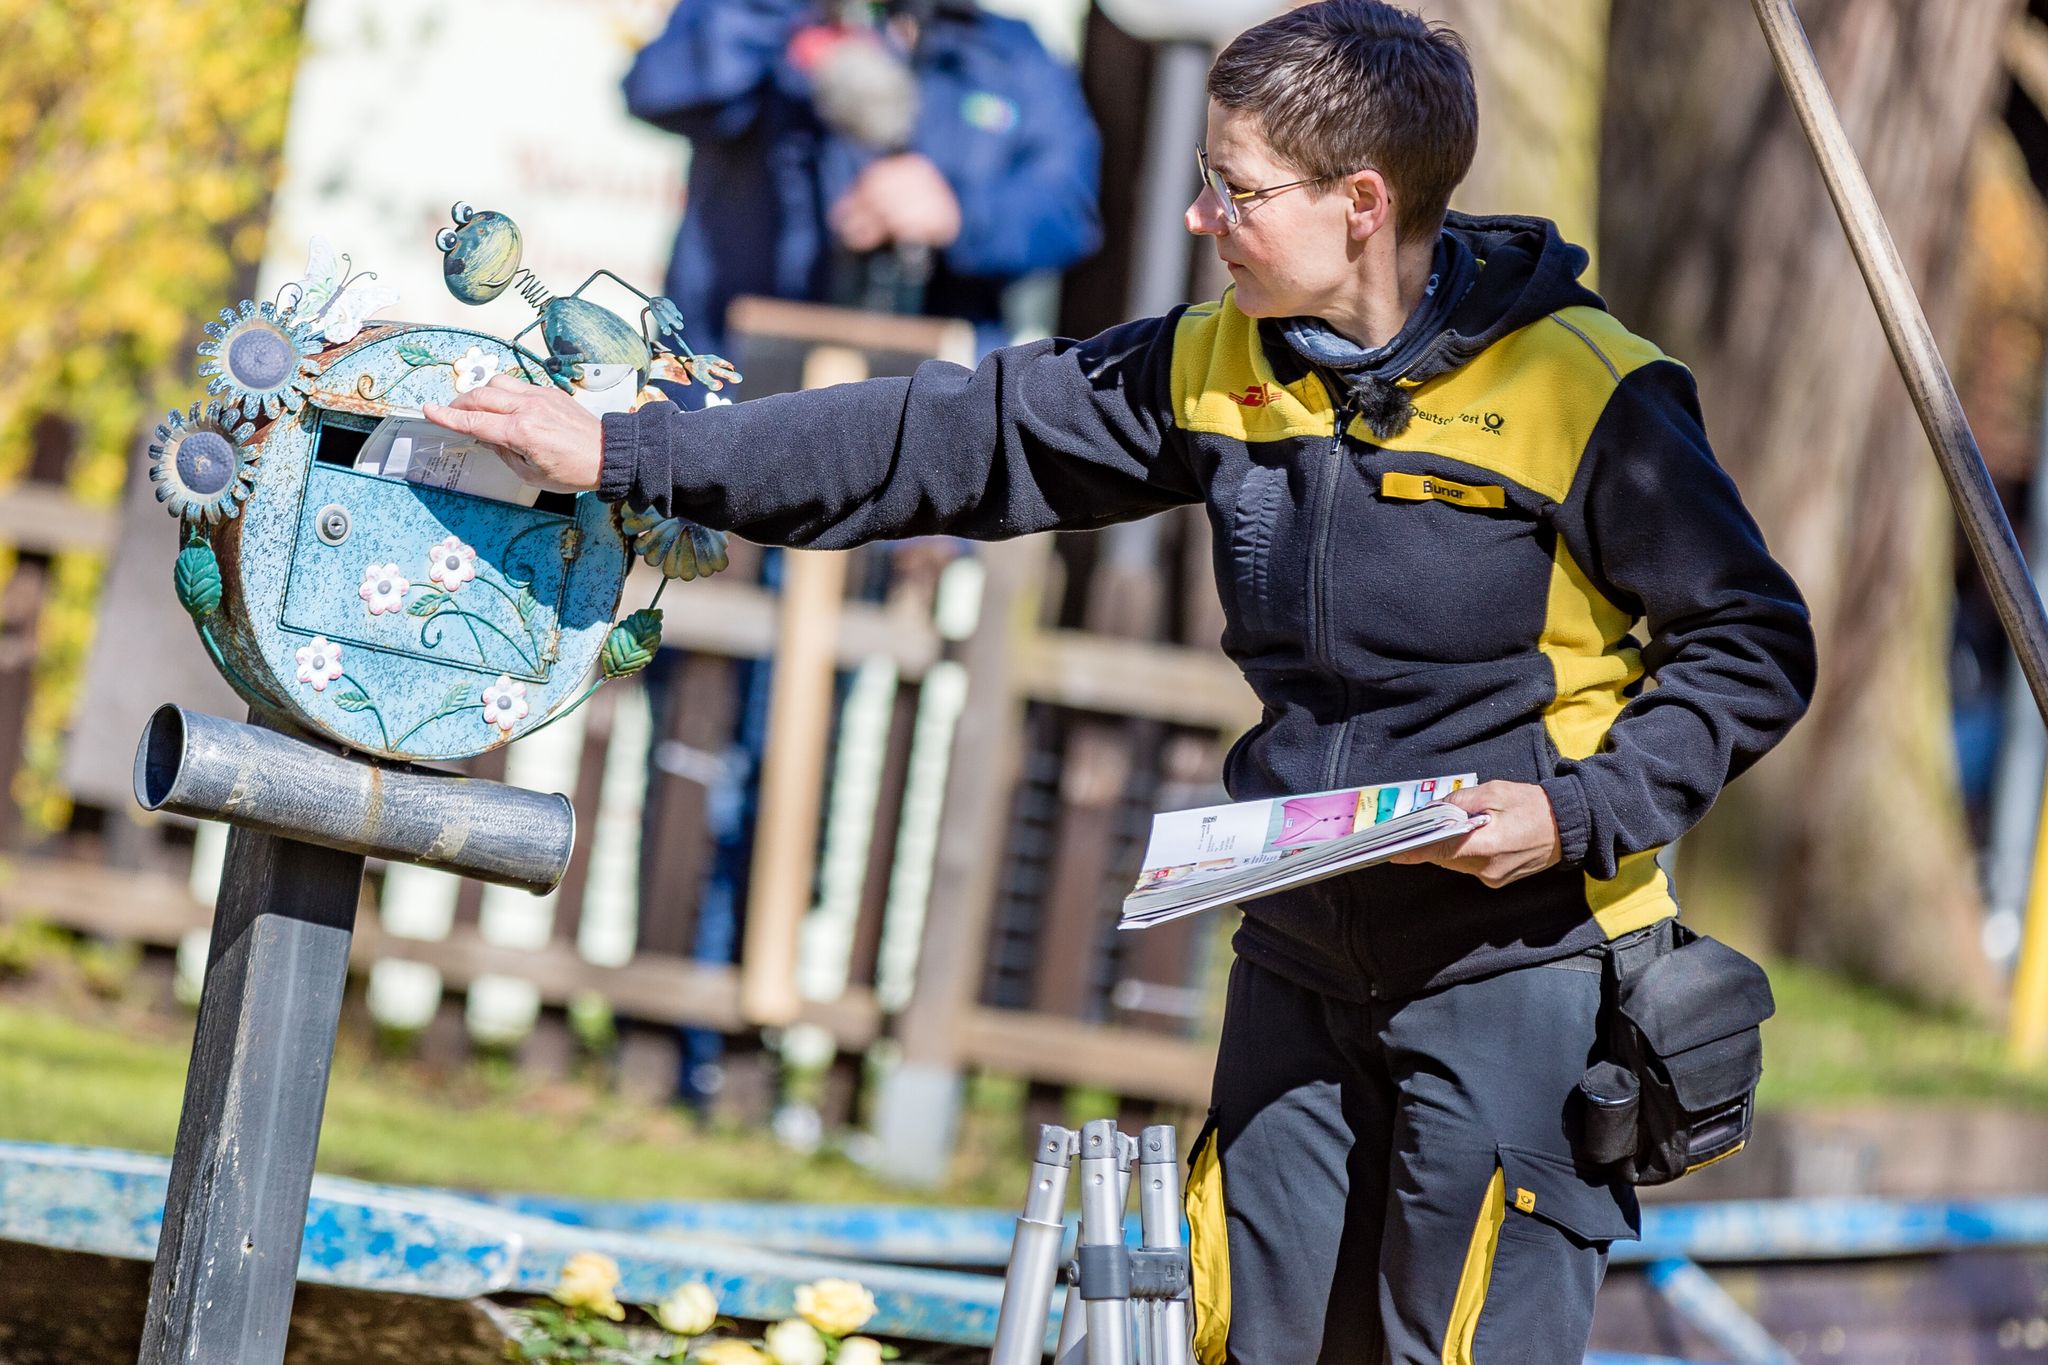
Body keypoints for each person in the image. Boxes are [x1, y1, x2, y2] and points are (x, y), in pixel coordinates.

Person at [428, 3, 1817, 1359]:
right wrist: (627, 451)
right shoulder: (1211, 361)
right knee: (1241, 1332)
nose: (1201, 215)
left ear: (1362, 202)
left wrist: (1577, 815)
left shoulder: (1590, 388)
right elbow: (937, 438)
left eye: (1236, 187)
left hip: (1517, 963)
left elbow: (1752, 646)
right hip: (1298, 942)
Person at [622, 0, 1103, 359]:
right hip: (733, 368)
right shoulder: (765, 16)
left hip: (928, 391)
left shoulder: (1013, 54)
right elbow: (656, 91)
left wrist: (959, 213)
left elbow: (1068, 213)